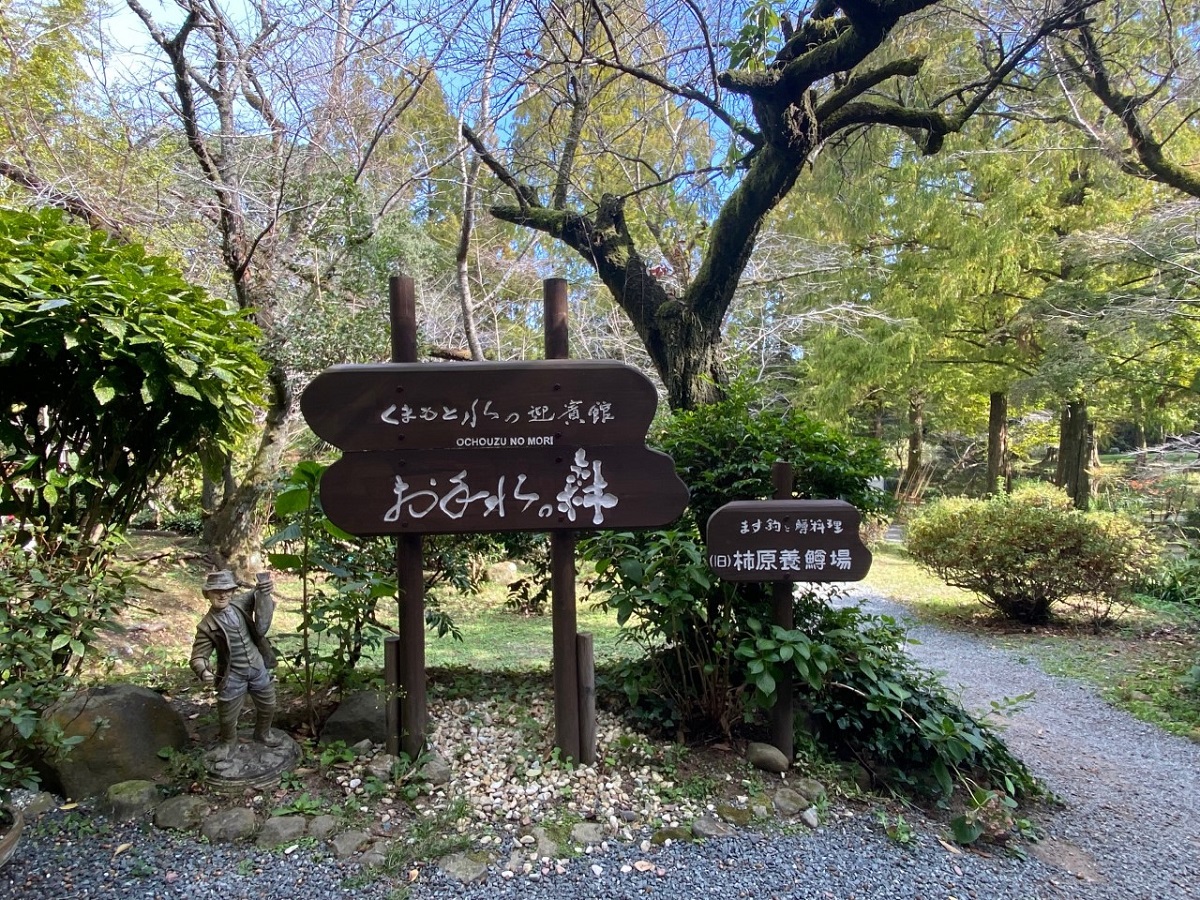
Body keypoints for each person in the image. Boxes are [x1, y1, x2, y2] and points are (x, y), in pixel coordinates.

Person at [190, 569, 281, 764]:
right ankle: (228, 742)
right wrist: (203, 670)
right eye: (216, 591)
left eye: (227, 590)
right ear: (207, 594)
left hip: (257, 667)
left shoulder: (239, 605)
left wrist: (264, 588)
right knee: (228, 714)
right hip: (233, 674)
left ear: (232, 592)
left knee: (268, 705)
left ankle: (263, 733)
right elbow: (198, 656)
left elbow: (257, 593)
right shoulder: (207, 626)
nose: (222, 595)